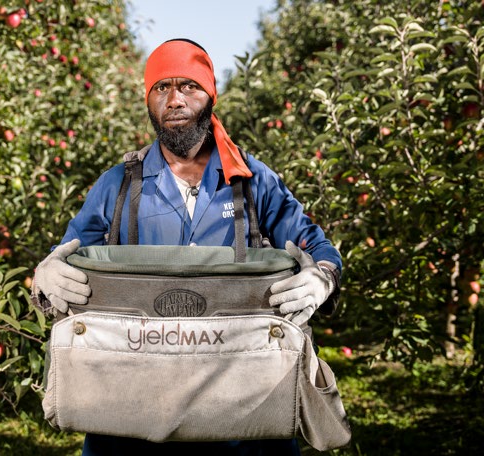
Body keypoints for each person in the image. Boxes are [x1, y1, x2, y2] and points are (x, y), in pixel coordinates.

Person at [32, 38, 341, 456]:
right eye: (161, 87)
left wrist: (321, 277)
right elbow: (66, 254)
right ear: (149, 101)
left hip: (243, 405)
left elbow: (315, 244)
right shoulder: (120, 185)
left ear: (210, 96)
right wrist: (46, 274)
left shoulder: (251, 181)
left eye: (188, 86)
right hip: (135, 409)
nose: (175, 99)